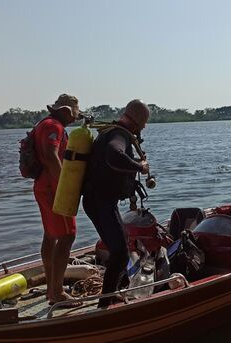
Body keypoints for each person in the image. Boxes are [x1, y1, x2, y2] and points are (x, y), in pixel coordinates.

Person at [82, 99, 151, 307]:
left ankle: (116, 290)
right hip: (101, 202)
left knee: (119, 246)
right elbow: (114, 154)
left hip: (95, 201)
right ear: (138, 120)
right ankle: (105, 304)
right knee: (121, 253)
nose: (145, 127)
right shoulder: (119, 135)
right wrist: (140, 167)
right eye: (145, 122)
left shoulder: (110, 131)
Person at [33, 94, 80, 305]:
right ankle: (57, 293)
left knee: (50, 235)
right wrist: (65, 186)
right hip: (53, 188)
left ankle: (51, 289)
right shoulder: (55, 126)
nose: (76, 116)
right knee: (67, 236)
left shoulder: (43, 124)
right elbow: (51, 154)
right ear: (66, 111)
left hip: (42, 185)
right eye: (75, 112)